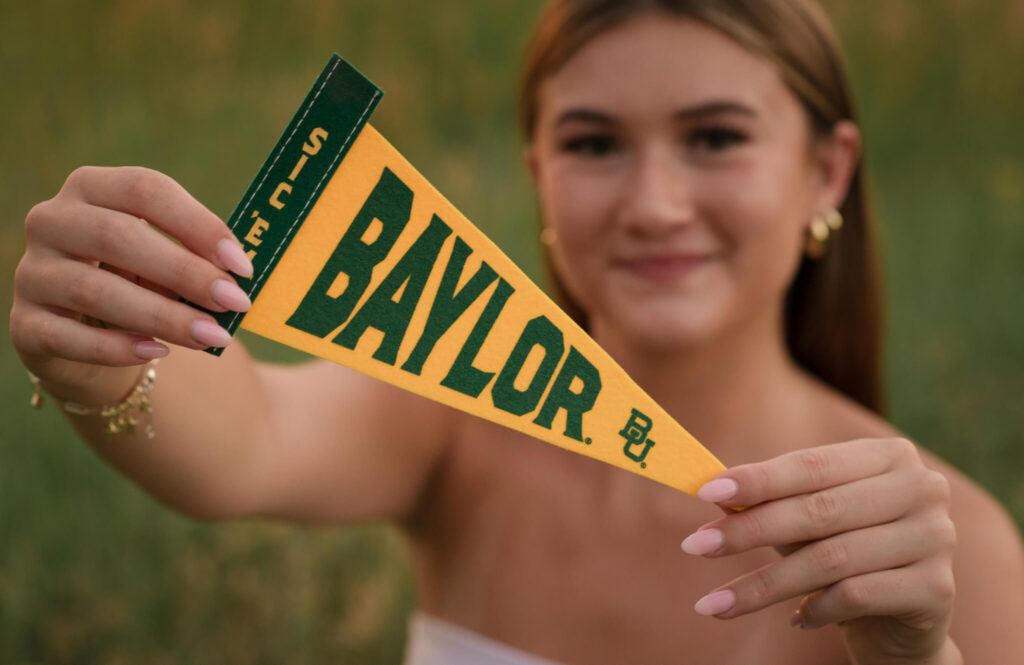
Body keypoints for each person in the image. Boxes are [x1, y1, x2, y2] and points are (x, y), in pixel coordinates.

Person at [11, 0, 1024, 663]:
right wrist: (99, 345)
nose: (655, 202)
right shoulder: (453, 418)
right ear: (538, 170)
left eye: (715, 137)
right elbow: (252, 433)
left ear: (827, 171)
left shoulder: (938, 549)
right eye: (593, 143)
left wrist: (917, 655)